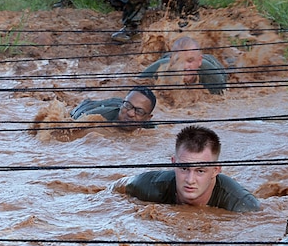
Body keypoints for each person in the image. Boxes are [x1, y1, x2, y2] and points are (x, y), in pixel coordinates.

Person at [116, 124, 260, 212]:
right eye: (184, 169)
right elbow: (116, 188)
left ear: (215, 170)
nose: (190, 180)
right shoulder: (149, 185)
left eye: (200, 171)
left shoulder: (242, 205)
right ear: (173, 163)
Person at [139, 36, 227, 94]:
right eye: (179, 61)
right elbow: (136, 84)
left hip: (211, 63)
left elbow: (223, 95)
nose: (185, 67)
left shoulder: (211, 75)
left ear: (199, 61)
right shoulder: (160, 68)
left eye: (190, 61)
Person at [71, 85, 156, 128]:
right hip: (87, 107)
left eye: (139, 111)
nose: (130, 114)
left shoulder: (150, 128)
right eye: (127, 105)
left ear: (148, 118)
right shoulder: (99, 116)